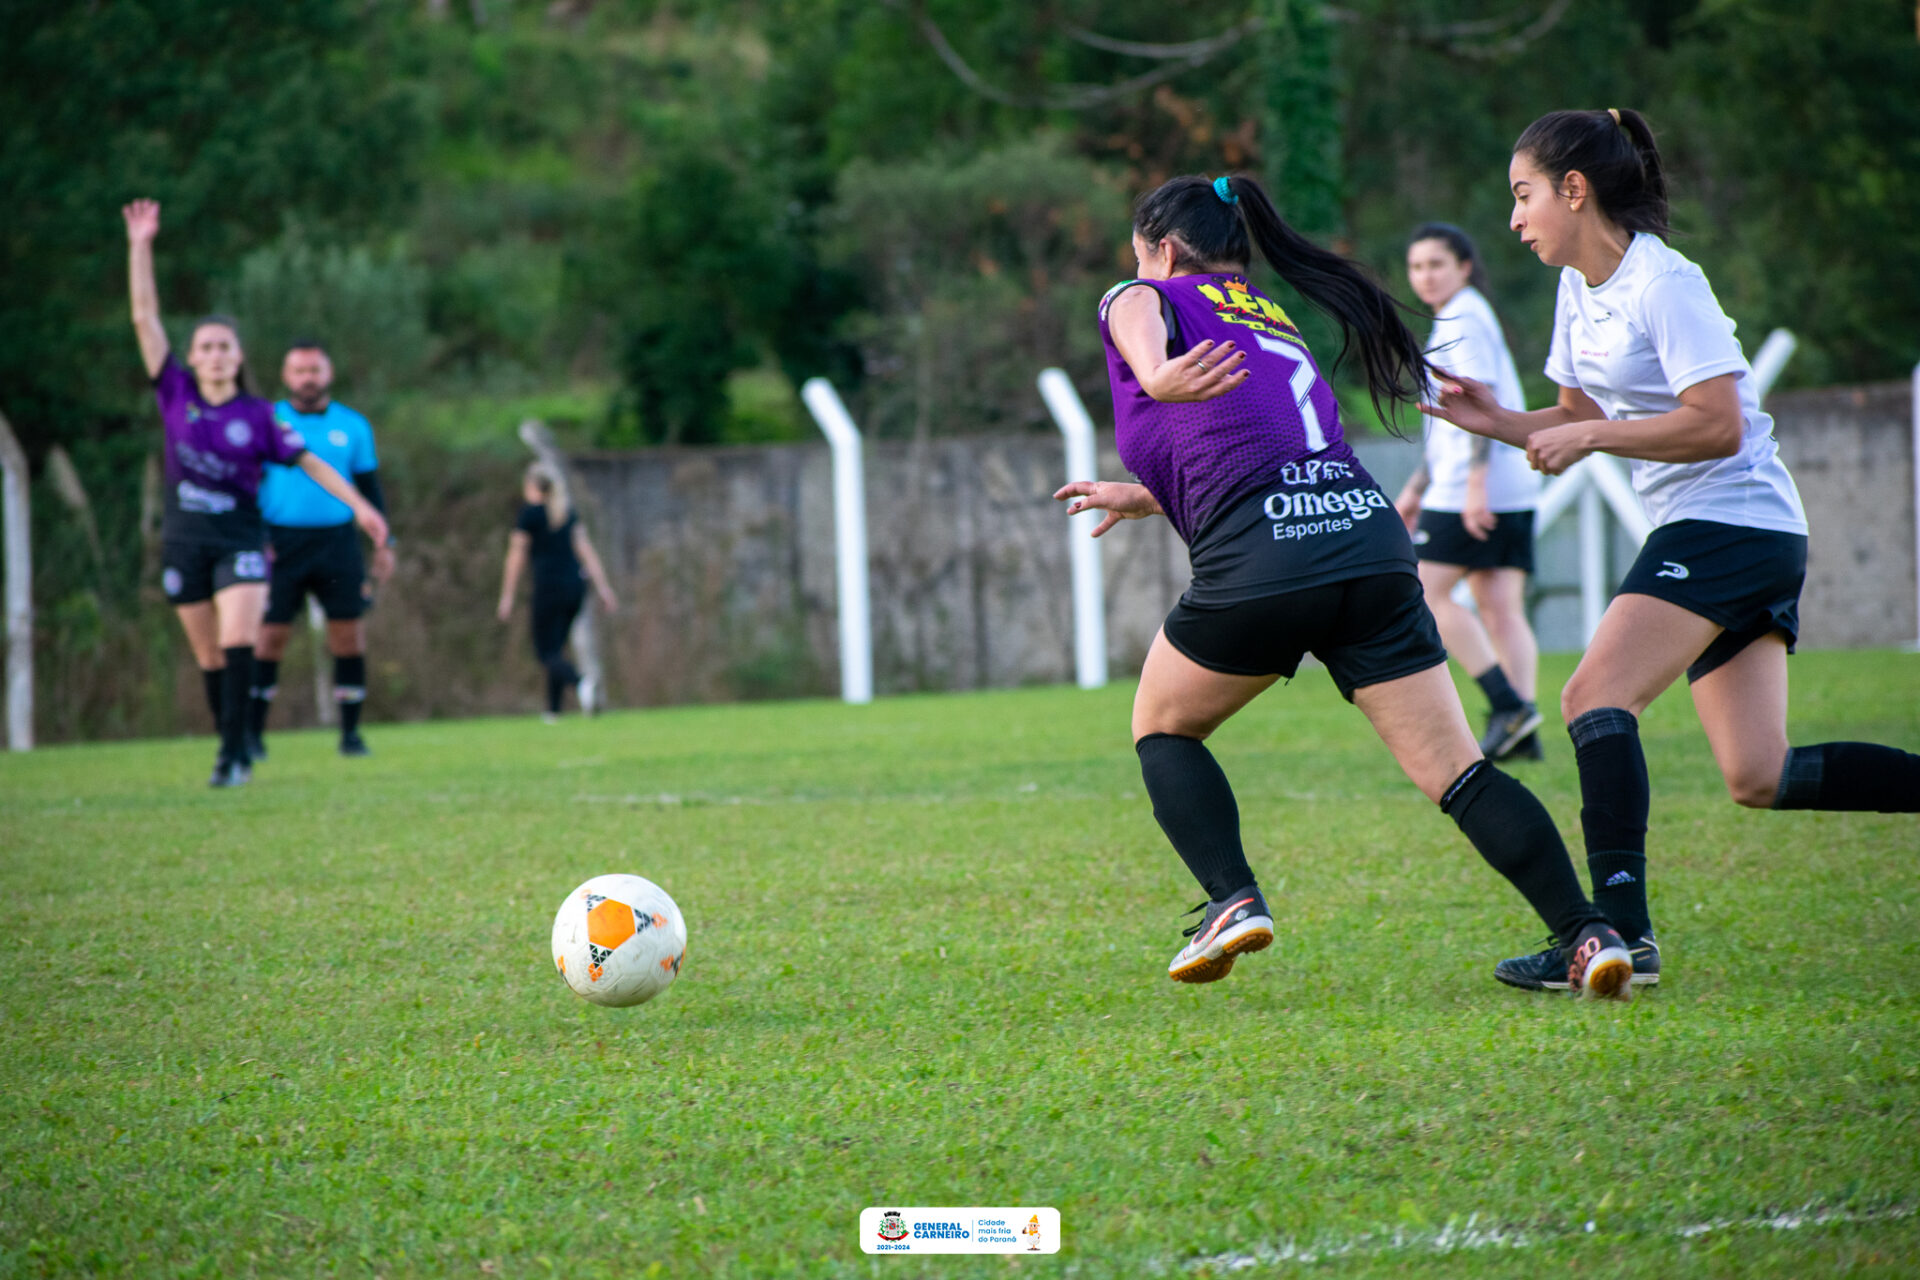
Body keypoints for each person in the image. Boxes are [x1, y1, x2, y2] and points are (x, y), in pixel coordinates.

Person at [1056, 172, 1633, 999]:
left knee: (1163, 728)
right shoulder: (1264, 315)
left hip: (1267, 560)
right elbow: (1260, 443)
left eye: (1139, 255)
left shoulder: (1143, 297)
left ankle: (1232, 899)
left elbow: (1132, 316)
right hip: (1368, 545)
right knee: (1461, 771)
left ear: (1164, 248)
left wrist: (1154, 373)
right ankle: (1589, 934)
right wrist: (1144, 495)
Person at [1424, 108, 1920, 992]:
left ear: (1575, 190)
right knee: (1757, 775)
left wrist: (1596, 440)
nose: (1514, 217)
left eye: (1523, 194)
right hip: (1726, 530)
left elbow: (1719, 424)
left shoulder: (1666, 282)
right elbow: (1577, 421)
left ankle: (1622, 933)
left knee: (1590, 694)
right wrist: (1495, 421)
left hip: (1734, 520)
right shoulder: (1578, 288)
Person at [123, 199, 388, 786]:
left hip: (240, 542)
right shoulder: (175, 395)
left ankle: (230, 757)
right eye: (206, 346)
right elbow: (144, 318)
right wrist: (140, 245)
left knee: (240, 637)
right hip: (186, 542)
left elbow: (313, 465)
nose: (216, 354)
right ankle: (235, 739)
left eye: (225, 346)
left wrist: (364, 510)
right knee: (210, 657)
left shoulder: (259, 415)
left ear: (239, 357)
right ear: (192, 357)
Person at [1394, 223, 1543, 760]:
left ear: (1463, 266)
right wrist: (1414, 492)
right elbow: (1449, 426)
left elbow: (1483, 408)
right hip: (1504, 484)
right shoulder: (1466, 313)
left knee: (1425, 594)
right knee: (1501, 607)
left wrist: (1476, 487)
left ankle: (1509, 707)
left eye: (1436, 264)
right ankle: (1522, 735)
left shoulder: (1462, 317)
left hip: (1472, 488)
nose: (1425, 276)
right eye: (1416, 266)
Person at [249, 341, 396, 759]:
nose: (308, 378)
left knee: (347, 634)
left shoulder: (353, 425)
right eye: (299, 370)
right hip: (281, 542)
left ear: (328, 374)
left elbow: (368, 488)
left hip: (337, 541)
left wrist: (385, 541)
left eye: (315, 369)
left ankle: (350, 735)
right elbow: (250, 484)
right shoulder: (268, 420)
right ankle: (253, 734)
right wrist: (256, 538)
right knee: (269, 636)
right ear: (286, 375)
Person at [496, 462, 617, 721]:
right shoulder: (566, 512)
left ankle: (582, 683)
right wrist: (604, 588)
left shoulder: (530, 515)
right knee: (557, 649)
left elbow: (516, 557)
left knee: (545, 652)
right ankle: (553, 711)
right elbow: (586, 552)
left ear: (530, 486)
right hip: (575, 588)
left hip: (549, 588)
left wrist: (507, 595)